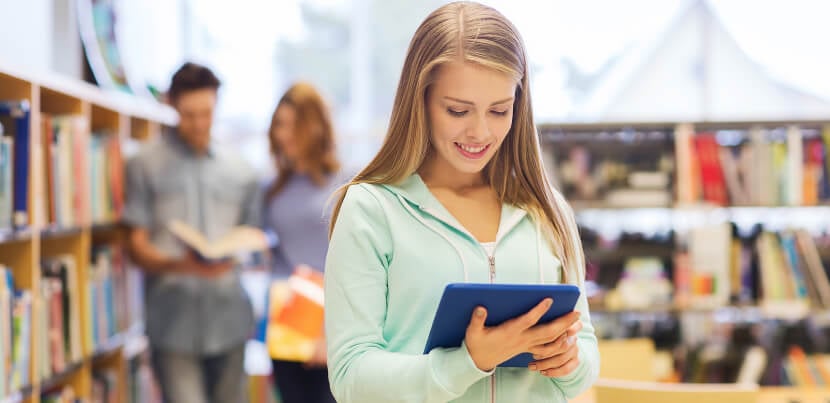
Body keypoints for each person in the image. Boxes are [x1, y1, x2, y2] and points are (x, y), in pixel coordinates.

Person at [324, 2, 600, 402]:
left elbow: (587, 351)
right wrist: (467, 362)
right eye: (457, 110)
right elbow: (351, 377)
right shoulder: (371, 209)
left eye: (500, 110)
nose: (480, 132)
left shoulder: (547, 210)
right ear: (420, 100)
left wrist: (569, 361)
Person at [123, 62, 260, 403]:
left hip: (229, 319)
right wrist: (182, 265)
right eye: (189, 114)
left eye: (206, 113)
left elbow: (252, 237)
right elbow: (135, 247)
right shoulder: (143, 164)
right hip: (172, 325)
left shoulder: (243, 171)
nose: (199, 123)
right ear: (171, 105)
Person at [263, 82, 346, 403]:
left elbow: (354, 266)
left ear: (315, 127)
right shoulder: (270, 189)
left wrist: (327, 332)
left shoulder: (346, 184)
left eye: (293, 125)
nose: (283, 134)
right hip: (285, 324)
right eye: (278, 125)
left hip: (330, 325)